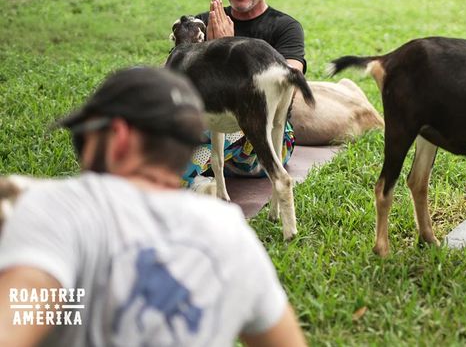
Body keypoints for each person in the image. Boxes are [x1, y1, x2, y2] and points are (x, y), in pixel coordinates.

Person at [0, 67, 307, 347]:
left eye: (83, 139)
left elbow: (14, 325)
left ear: (118, 137)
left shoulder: (60, 206)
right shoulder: (232, 233)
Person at [181, 0, 307, 189]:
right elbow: (173, 80)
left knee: (220, 127)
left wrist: (224, 47)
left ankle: (182, 183)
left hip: (266, 142)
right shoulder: (204, 22)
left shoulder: (286, 27)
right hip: (207, 128)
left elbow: (291, 79)